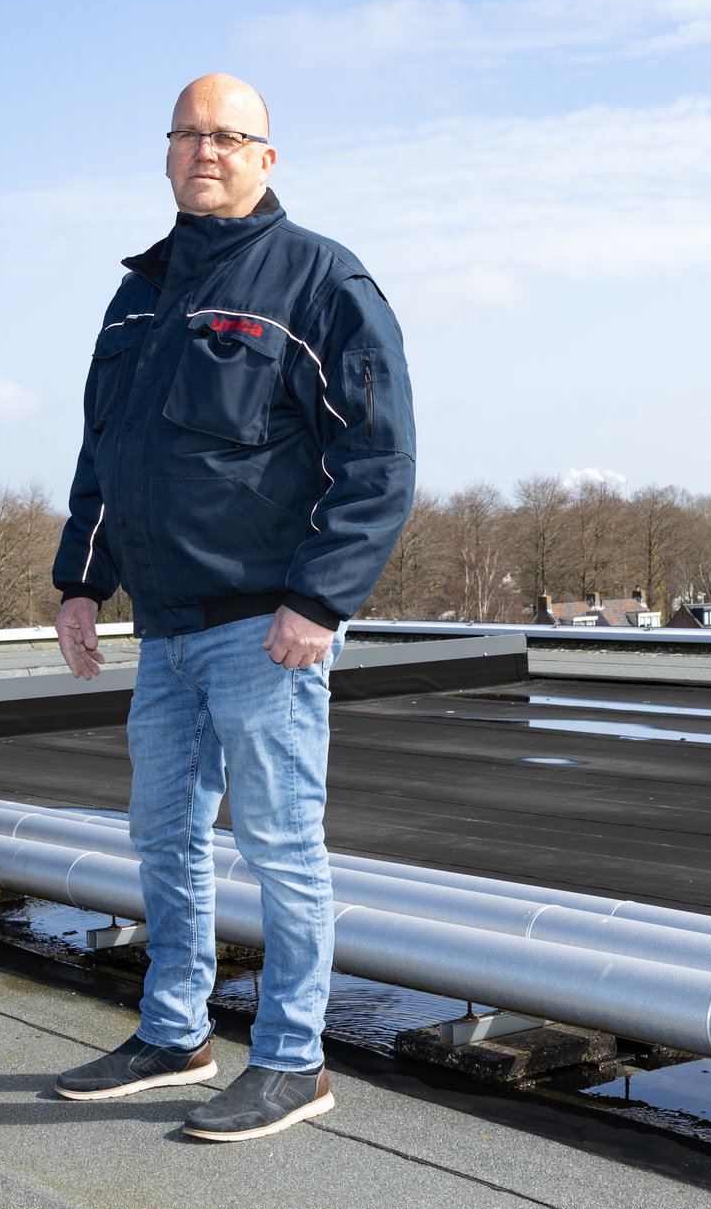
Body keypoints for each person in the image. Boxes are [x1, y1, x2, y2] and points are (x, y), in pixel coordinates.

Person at [47, 74, 415, 1141]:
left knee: (280, 843)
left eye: (228, 135)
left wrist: (318, 597)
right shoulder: (139, 292)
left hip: (265, 627)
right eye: (187, 133)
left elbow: (378, 455)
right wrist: (81, 580)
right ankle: (173, 1033)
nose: (205, 149)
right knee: (161, 833)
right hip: (164, 628)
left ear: (266, 157)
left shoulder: (318, 278)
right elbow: (105, 456)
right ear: (165, 153)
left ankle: (294, 1061)